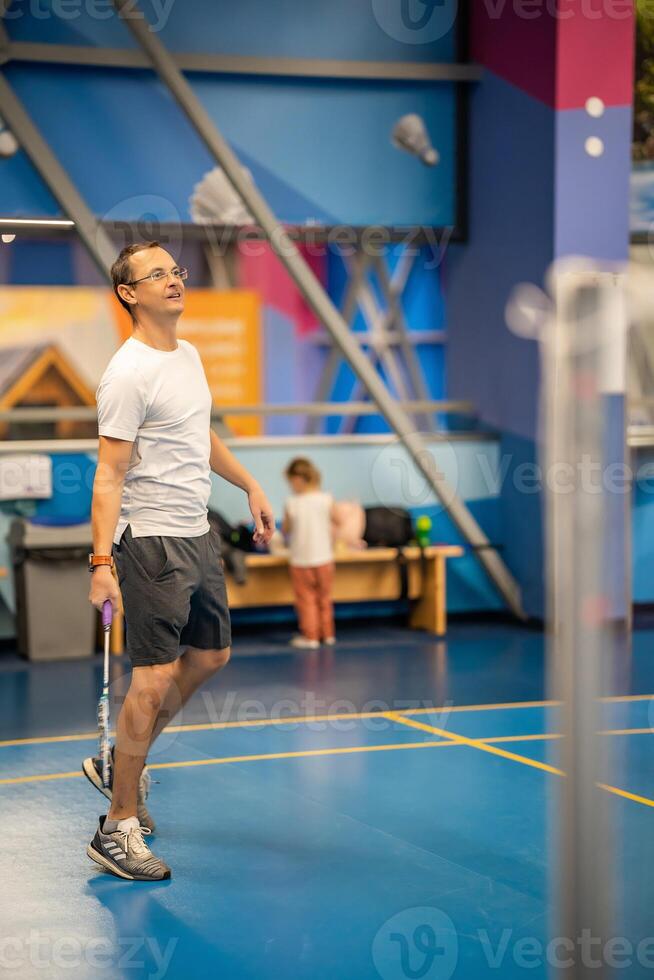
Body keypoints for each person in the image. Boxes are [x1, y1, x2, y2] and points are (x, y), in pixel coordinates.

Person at [84, 241, 274, 881]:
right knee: (153, 679)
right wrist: (100, 564)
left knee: (213, 654)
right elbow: (109, 475)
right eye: (155, 274)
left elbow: (201, 433)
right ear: (128, 294)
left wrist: (248, 482)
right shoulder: (129, 372)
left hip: (197, 534)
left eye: (175, 270)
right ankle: (117, 826)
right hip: (152, 541)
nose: (172, 279)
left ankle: (121, 762)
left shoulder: (186, 356)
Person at [282, 458, 337, 650]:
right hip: (325, 558)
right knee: (325, 597)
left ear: (298, 479)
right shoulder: (327, 499)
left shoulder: (292, 503)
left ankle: (311, 636)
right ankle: (328, 634)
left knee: (306, 600)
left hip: (301, 560)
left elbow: (286, 530)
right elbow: (336, 521)